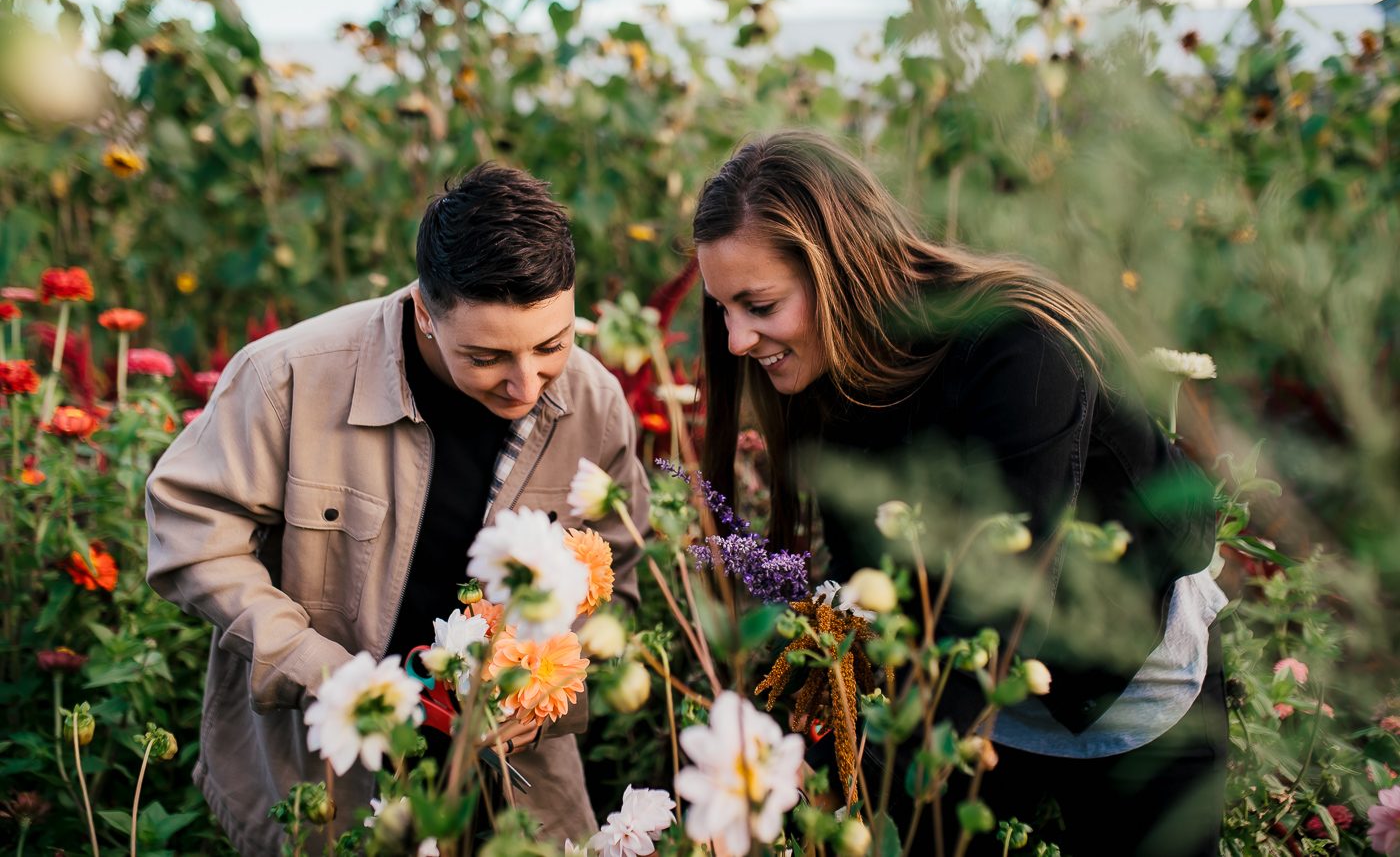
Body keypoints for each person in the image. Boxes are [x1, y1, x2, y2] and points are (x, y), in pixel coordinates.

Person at [691, 131, 1226, 856]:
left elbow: (1002, 598)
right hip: (972, 690)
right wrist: (770, 767)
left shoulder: (1017, 347)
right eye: (723, 309)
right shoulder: (827, 376)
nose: (735, 340)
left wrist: (853, 782)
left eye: (759, 304)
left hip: (1124, 685)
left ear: (840, 270)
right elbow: (866, 594)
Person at [145, 163, 648, 855]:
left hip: (517, 783)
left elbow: (617, 575)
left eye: (552, 345)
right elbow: (192, 535)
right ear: (424, 312)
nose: (526, 383)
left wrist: (543, 691)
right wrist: (329, 676)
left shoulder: (594, 402)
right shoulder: (288, 376)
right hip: (324, 772)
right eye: (487, 355)